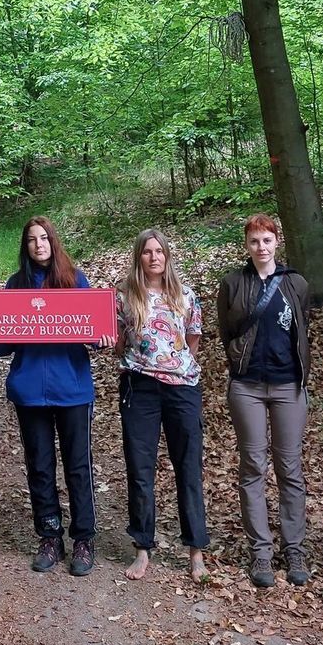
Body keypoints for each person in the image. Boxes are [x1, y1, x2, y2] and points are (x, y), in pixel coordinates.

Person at [0, 217, 114, 576]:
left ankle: (84, 539)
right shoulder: (15, 285)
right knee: (40, 466)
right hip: (30, 391)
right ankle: (49, 536)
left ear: (53, 241)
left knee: (78, 466)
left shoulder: (75, 281)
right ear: (25, 246)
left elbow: (92, 329)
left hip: (72, 389)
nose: (38, 245)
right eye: (32, 239)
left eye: (44, 238)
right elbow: (6, 338)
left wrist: (103, 338)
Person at [216, 214, 311, 588]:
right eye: (254, 241)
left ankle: (294, 549)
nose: (261, 247)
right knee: (253, 466)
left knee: (290, 468)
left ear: (277, 242)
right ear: (247, 244)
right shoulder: (233, 283)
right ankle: (261, 553)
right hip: (247, 387)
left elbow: (302, 327)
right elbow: (226, 331)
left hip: (288, 386)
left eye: (267, 240)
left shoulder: (295, 283)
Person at [114, 228, 209, 582]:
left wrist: (174, 366)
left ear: (167, 255)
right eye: (147, 252)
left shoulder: (185, 295)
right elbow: (118, 343)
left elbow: (192, 339)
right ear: (138, 257)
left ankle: (196, 551)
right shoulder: (124, 297)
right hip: (139, 387)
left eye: (159, 251)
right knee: (140, 468)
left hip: (182, 388)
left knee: (188, 467)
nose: (154, 257)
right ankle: (142, 547)